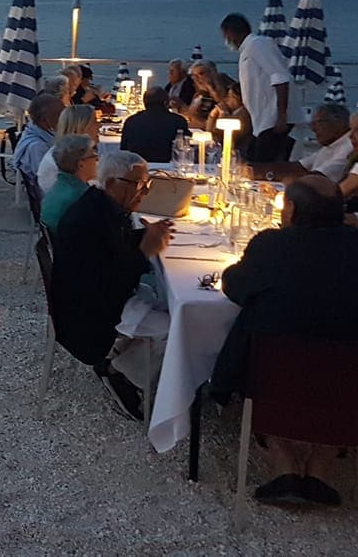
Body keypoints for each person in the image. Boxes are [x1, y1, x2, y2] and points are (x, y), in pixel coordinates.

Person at [209, 176, 358, 507]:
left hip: (272, 381)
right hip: (347, 386)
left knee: (270, 358)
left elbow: (235, 287)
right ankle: (320, 471)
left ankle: (285, 465)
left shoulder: (271, 246)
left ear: (290, 208)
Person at [50, 151, 173, 421]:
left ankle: (123, 365)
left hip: (101, 297)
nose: (145, 191)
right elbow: (109, 283)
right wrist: (145, 251)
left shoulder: (102, 207)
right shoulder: (87, 220)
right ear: (110, 183)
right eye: (138, 184)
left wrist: (144, 236)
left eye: (147, 184)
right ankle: (122, 376)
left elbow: (114, 249)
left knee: (167, 304)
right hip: (89, 314)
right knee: (175, 331)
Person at [222, 12, 293, 163]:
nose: (226, 40)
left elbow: (280, 77)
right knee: (253, 161)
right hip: (261, 121)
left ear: (230, 33)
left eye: (225, 36)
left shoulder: (258, 44)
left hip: (272, 119)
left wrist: (282, 115)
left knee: (262, 166)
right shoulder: (248, 50)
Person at [41, 135, 99, 229]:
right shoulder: (82, 197)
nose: (97, 159)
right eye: (94, 156)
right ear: (81, 165)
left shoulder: (58, 186)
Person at [37, 105, 98, 192]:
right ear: (82, 127)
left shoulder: (67, 151)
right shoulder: (64, 160)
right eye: (95, 122)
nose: (99, 126)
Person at [120, 86, 189, 163]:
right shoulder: (179, 121)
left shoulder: (131, 121)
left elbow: (124, 150)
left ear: (144, 103)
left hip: (138, 165)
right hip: (168, 166)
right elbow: (184, 146)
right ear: (166, 102)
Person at [13, 93, 63, 186]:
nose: (64, 116)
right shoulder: (37, 147)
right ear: (45, 120)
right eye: (59, 114)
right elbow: (48, 180)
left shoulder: (46, 132)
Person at [298, 103, 354, 181]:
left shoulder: (350, 145)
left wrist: (289, 179)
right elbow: (300, 166)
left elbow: (319, 177)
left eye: (318, 123)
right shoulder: (331, 144)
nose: (313, 129)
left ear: (339, 122)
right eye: (312, 124)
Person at [205, 80, 251, 152]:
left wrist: (223, 113)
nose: (225, 100)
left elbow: (218, 137)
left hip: (237, 152)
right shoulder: (233, 113)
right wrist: (212, 116)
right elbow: (209, 133)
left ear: (237, 98)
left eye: (229, 96)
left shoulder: (243, 115)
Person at [184, 60, 233, 127]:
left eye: (201, 74)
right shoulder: (199, 95)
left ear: (212, 73)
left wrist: (211, 89)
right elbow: (189, 116)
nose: (197, 79)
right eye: (194, 76)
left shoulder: (229, 90)